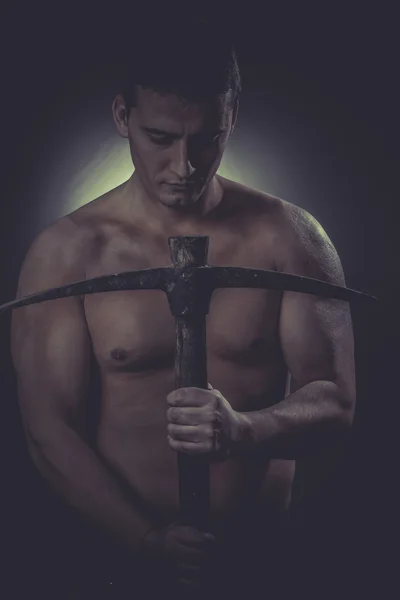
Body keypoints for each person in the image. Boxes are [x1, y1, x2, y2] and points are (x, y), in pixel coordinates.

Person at [11, 17, 356, 600]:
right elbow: (50, 429)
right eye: (161, 138)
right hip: (121, 562)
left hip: (259, 560)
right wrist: (146, 540)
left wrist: (245, 429)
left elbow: (337, 401)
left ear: (232, 117)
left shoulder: (289, 240)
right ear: (123, 117)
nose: (185, 165)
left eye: (206, 139)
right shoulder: (69, 254)